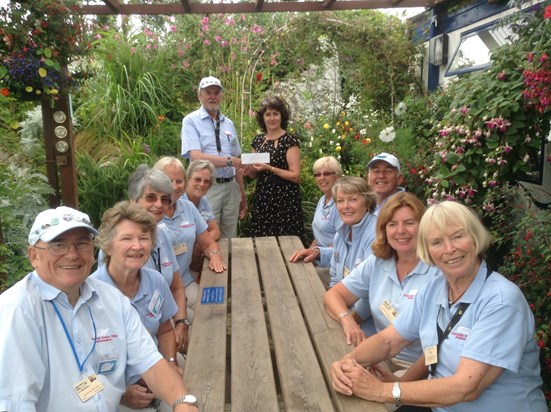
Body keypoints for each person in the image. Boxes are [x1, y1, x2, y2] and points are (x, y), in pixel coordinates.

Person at [330, 201, 547, 412]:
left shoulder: (501, 300)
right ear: (427, 251)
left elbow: (466, 388)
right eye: (436, 242)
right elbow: (389, 341)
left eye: (458, 236)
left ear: (475, 238)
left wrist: (381, 391)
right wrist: (345, 363)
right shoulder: (436, 287)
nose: (449, 249)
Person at [0, 206, 198, 411]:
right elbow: (16, 403)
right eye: (58, 245)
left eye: (82, 243)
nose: (72, 254)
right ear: (33, 256)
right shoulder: (17, 311)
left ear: (93, 252)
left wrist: (183, 402)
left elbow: (150, 361)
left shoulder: (112, 299)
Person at [324, 193, 438, 411]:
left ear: (423, 227)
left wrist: (398, 384)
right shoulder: (379, 261)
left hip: (419, 371)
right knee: (333, 378)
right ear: (384, 229)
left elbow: (436, 350)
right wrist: (347, 320)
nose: (400, 231)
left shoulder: (437, 273)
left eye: (409, 223)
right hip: (381, 357)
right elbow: (333, 295)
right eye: (392, 224)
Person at [92, 201, 181, 411]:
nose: (137, 246)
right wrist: (119, 393)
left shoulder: (155, 281)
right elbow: (78, 368)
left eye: (144, 238)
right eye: (126, 238)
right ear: (107, 246)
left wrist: (170, 362)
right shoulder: (89, 295)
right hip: (115, 393)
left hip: (155, 378)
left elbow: (166, 329)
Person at [130, 165, 226, 328]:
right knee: (201, 328)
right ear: (133, 200)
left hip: (179, 286)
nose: (159, 204)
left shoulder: (162, 233)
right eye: (151, 198)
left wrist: (215, 254)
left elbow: (177, 286)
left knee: (214, 313)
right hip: (147, 314)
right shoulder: (124, 242)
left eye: (164, 199)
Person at [181, 76, 247, 239]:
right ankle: (211, 265)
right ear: (200, 95)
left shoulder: (228, 123)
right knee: (207, 235)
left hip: (231, 187)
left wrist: (242, 194)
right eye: (208, 92)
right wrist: (230, 161)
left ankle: (229, 266)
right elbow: (196, 157)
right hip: (208, 188)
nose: (212, 96)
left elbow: (237, 161)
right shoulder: (191, 121)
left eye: (216, 93)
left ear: (221, 96)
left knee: (230, 236)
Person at [245, 95, 305, 241]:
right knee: (262, 243)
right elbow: (254, 174)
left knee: (287, 243)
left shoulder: (289, 140)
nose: (272, 118)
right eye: (268, 114)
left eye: (275, 114)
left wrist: (269, 168)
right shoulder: (258, 141)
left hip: (285, 200)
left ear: (281, 116)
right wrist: (248, 170)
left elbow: (295, 176)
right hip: (264, 199)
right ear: (262, 118)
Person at [154, 157, 221, 275]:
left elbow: (209, 241)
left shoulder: (188, 207)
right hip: (159, 287)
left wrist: (215, 255)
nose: (174, 187)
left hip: (185, 278)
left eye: (179, 181)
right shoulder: (149, 212)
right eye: (168, 181)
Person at [289, 156, 342, 286]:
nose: (322, 178)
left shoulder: (342, 204)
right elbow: (319, 235)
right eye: (318, 174)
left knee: (302, 279)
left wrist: (317, 254)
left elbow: (343, 245)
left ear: (338, 176)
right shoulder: (323, 200)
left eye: (327, 173)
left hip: (334, 264)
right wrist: (309, 252)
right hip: (319, 257)